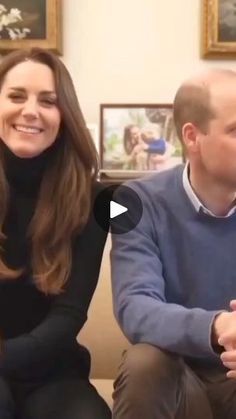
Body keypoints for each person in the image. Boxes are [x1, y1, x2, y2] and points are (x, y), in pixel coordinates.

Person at [111, 68, 236, 419]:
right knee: (144, 362)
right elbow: (135, 308)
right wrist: (217, 326)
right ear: (192, 137)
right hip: (174, 377)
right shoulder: (130, 200)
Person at [0, 47, 111, 419]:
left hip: (53, 372)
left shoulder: (95, 201)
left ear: (64, 116)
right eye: (16, 96)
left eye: (48, 101)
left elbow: (68, 318)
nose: (30, 110)